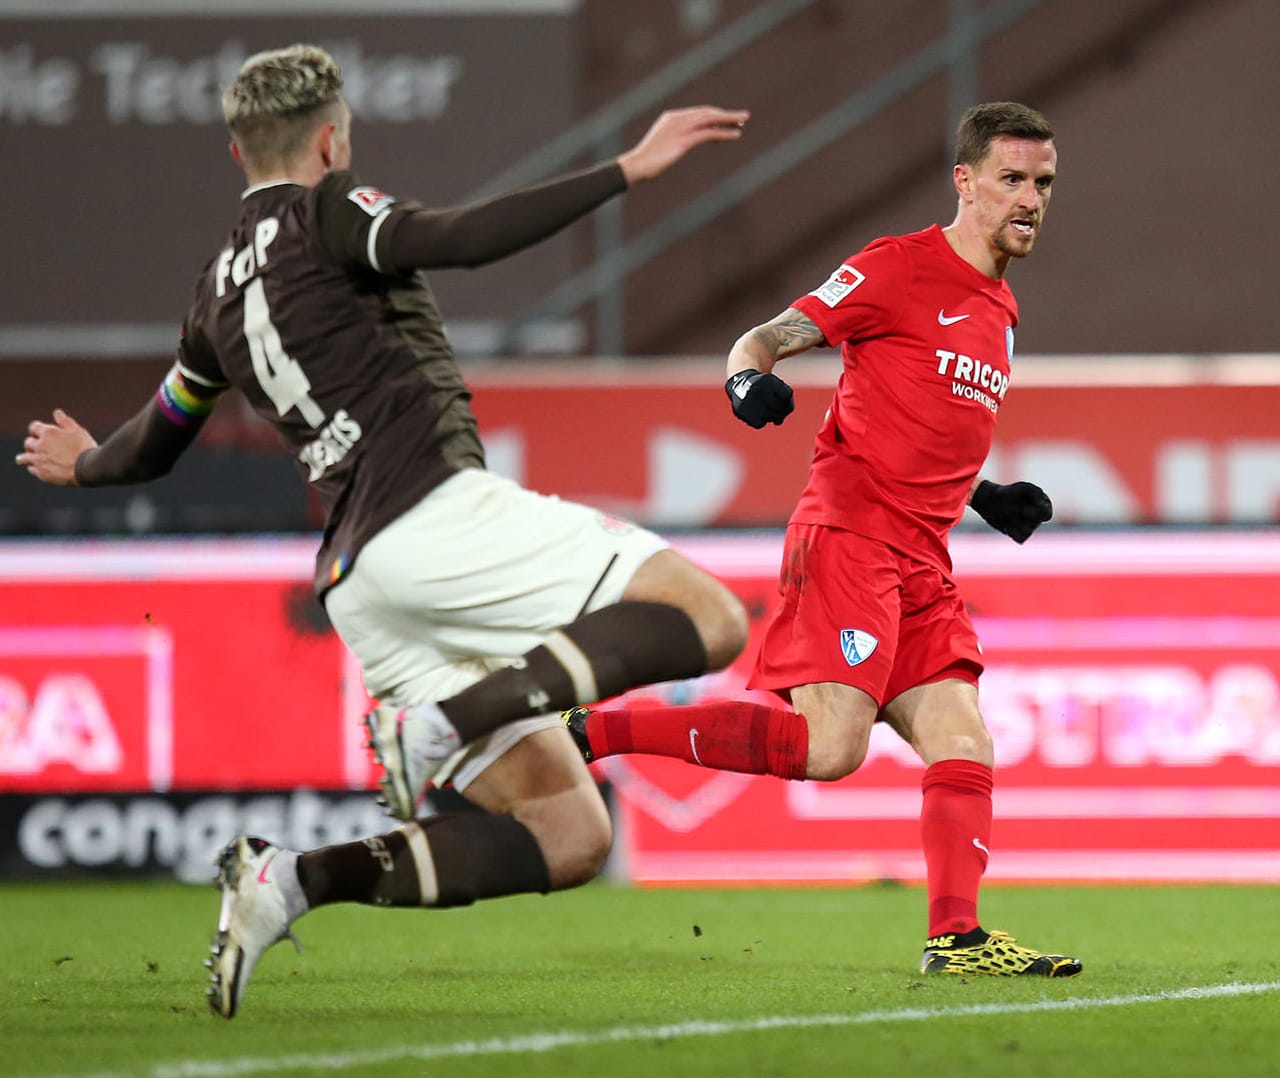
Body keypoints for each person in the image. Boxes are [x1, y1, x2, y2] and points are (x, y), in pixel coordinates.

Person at [14, 44, 753, 1018]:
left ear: (236, 151)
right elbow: (466, 237)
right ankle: (445, 721)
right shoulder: (332, 211)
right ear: (334, 140)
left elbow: (157, 439)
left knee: (568, 831)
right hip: (434, 512)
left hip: (364, 584)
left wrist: (86, 462)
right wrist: (629, 168)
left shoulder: (211, 295)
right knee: (710, 617)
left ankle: (290, 880)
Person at [562, 102, 1078, 977]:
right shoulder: (896, 266)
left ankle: (955, 939)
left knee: (963, 740)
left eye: (1044, 184)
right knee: (829, 749)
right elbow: (763, 336)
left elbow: (919, 410)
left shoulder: (1000, 306)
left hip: (924, 556)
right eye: (1012, 180)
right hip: (851, 537)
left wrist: (984, 492)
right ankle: (589, 733)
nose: (1030, 199)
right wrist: (745, 381)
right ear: (965, 182)